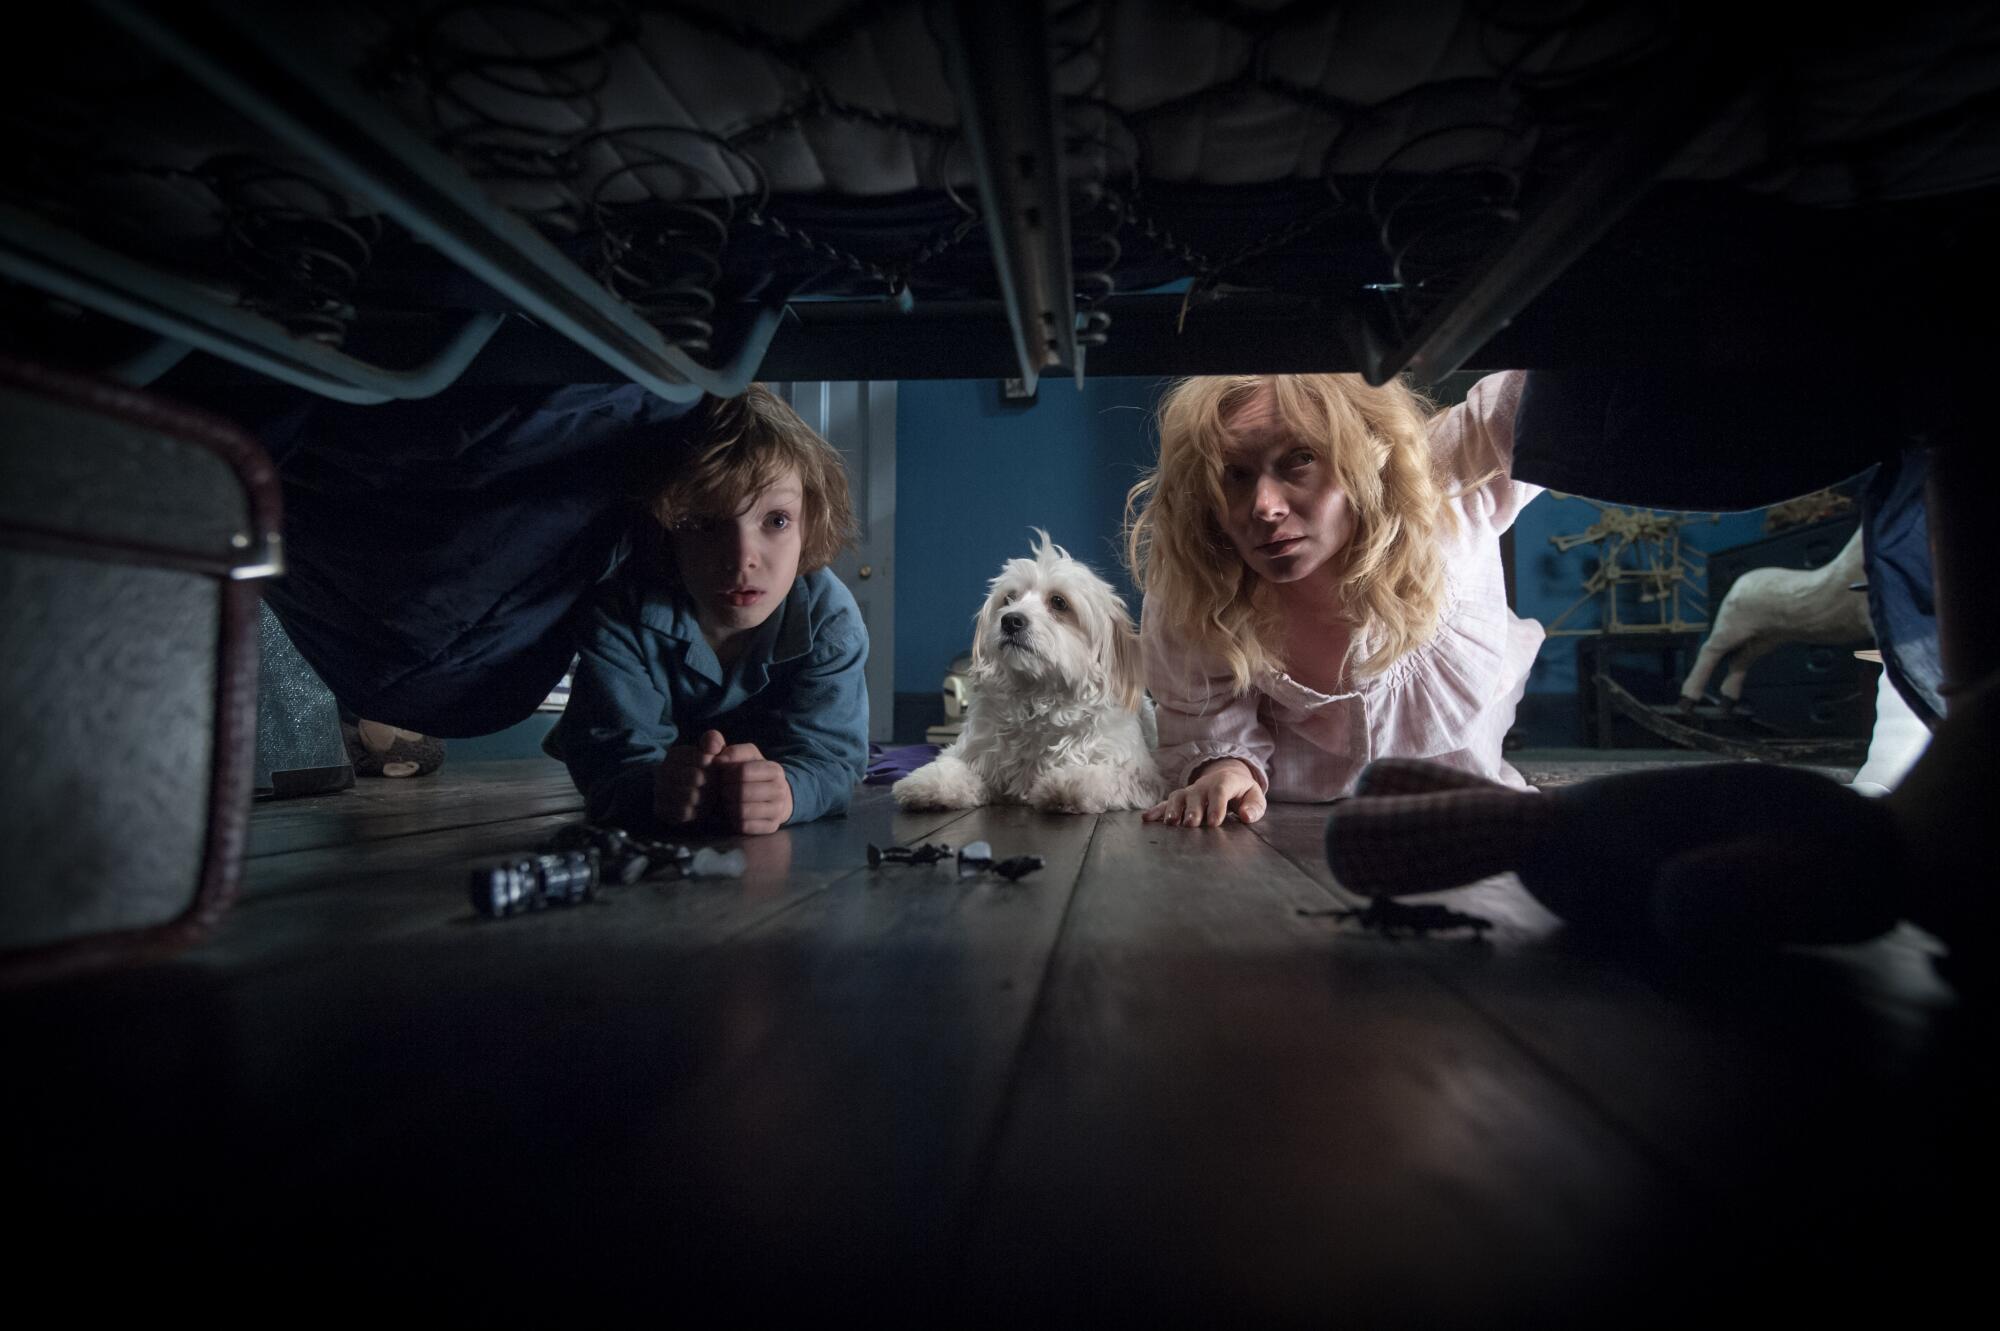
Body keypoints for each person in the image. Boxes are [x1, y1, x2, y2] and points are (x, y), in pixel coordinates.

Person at [1124, 370, 1543, 827]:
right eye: (1234, 474)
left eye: (1299, 459)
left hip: (1471, 818)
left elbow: (1541, 390)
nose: (1265, 506)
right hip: (1294, 832)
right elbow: (1205, 713)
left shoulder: (1445, 474)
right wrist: (1226, 767)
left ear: (1365, 453)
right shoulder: (1200, 581)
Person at [545, 384, 869, 835]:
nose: (742, 559)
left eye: (776, 520)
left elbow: (833, 760)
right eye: (704, 523)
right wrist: (654, 788)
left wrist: (789, 792)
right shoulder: (620, 611)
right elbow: (606, 761)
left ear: (810, 522)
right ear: (665, 529)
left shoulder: (830, 619)